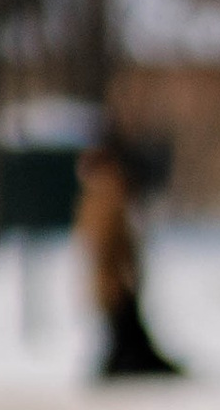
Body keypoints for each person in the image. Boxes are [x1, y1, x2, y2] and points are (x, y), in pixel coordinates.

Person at [77, 136, 181, 377]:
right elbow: (104, 240)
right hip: (112, 278)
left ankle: (125, 364)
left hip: (112, 278)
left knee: (124, 327)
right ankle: (123, 364)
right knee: (121, 327)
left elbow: (108, 240)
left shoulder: (105, 191)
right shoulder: (106, 191)